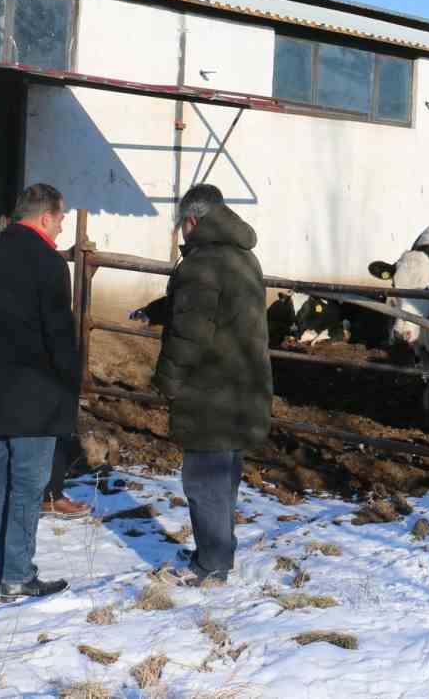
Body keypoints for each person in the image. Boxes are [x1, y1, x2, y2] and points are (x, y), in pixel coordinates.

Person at [0, 183, 78, 601]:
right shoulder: (49, 263)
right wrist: (68, 385)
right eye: (62, 218)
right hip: (37, 394)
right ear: (45, 217)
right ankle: (16, 575)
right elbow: (60, 335)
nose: (62, 228)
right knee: (27, 486)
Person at [154, 184, 273, 586]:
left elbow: (190, 334)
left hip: (210, 391)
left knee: (203, 481)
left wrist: (167, 381)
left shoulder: (201, 264)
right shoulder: (243, 256)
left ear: (192, 220)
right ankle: (219, 554)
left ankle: (210, 566)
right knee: (224, 477)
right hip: (242, 386)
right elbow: (217, 310)